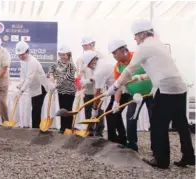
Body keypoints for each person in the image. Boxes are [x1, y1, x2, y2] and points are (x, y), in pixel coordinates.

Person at [105, 19, 195, 169]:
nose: (134, 38)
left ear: (142, 34)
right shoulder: (159, 44)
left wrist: (114, 86)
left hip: (165, 88)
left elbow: (129, 69)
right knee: (181, 124)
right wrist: (142, 77)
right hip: (179, 87)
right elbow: (161, 67)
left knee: (158, 124)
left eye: (135, 35)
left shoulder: (143, 47)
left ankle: (161, 160)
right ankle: (189, 155)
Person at [108, 39, 153, 152]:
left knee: (154, 119)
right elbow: (119, 85)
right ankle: (132, 144)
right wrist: (116, 102)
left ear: (123, 50)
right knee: (131, 117)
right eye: (112, 53)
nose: (113, 56)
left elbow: (153, 72)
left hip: (151, 93)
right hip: (134, 95)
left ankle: (156, 146)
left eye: (114, 53)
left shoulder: (137, 57)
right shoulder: (117, 67)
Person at [82, 50, 127, 145]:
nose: (88, 66)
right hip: (118, 90)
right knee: (115, 115)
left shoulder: (99, 70)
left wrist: (94, 109)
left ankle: (112, 140)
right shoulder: (102, 62)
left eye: (88, 64)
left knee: (109, 114)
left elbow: (97, 93)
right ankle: (122, 139)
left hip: (121, 90)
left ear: (93, 60)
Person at [15, 41, 54, 128]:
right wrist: (20, 84)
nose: (20, 56)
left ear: (27, 52)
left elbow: (29, 78)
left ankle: (35, 129)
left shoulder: (32, 61)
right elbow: (23, 75)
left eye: (22, 54)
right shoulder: (23, 61)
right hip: (34, 87)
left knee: (36, 110)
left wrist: (21, 91)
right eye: (19, 55)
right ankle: (35, 128)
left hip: (41, 87)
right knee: (34, 108)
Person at [76, 36, 105, 136]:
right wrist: (82, 80)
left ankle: (99, 131)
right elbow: (80, 71)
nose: (84, 47)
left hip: (98, 89)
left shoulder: (99, 56)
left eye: (86, 45)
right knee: (88, 111)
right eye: (83, 45)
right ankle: (90, 130)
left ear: (92, 44)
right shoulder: (82, 57)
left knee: (99, 111)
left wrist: (90, 79)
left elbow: (101, 73)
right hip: (88, 90)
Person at [48, 44, 76, 133]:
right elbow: (50, 70)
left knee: (67, 110)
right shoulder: (57, 63)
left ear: (68, 54)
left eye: (63, 55)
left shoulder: (71, 65)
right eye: (60, 54)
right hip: (60, 91)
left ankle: (68, 128)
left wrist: (55, 86)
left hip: (69, 91)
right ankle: (62, 128)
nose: (62, 57)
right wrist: (51, 79)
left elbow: (66, 78)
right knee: (62, 109)